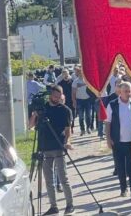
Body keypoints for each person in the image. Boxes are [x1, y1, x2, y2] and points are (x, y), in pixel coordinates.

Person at [29, 86, 75, 215]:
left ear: (61, 96)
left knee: (63, 178)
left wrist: (67, 142)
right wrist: (35, 114)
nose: (56, 99)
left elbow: (67, 130)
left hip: (58, 146)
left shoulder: (65, 110)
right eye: (54, 96)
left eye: (58, 97)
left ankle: (70, 204)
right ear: (50, 95)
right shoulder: (43, 109)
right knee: (48, 180)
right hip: (44, 147)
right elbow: (30, 126)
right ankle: (53, 206)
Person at [105, 81, 131, 199]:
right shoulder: (112, 105)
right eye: (125, 91)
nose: (128, 93)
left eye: (129, 91)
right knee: (120, 167)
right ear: (120, 91)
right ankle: (123, 188)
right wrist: (108, 138)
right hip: (117, 141)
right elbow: (108, 123)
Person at [71, 66, 93, 136]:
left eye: (82, 72)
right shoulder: (75, 81)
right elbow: (73, 92)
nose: (81, 73)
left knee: (88, 115)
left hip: (88, 100)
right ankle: (82, 129)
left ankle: (88, 128)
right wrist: (74, 101)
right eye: (80, 72)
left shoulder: (88, 80)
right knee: (81, 116)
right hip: (79, 100)